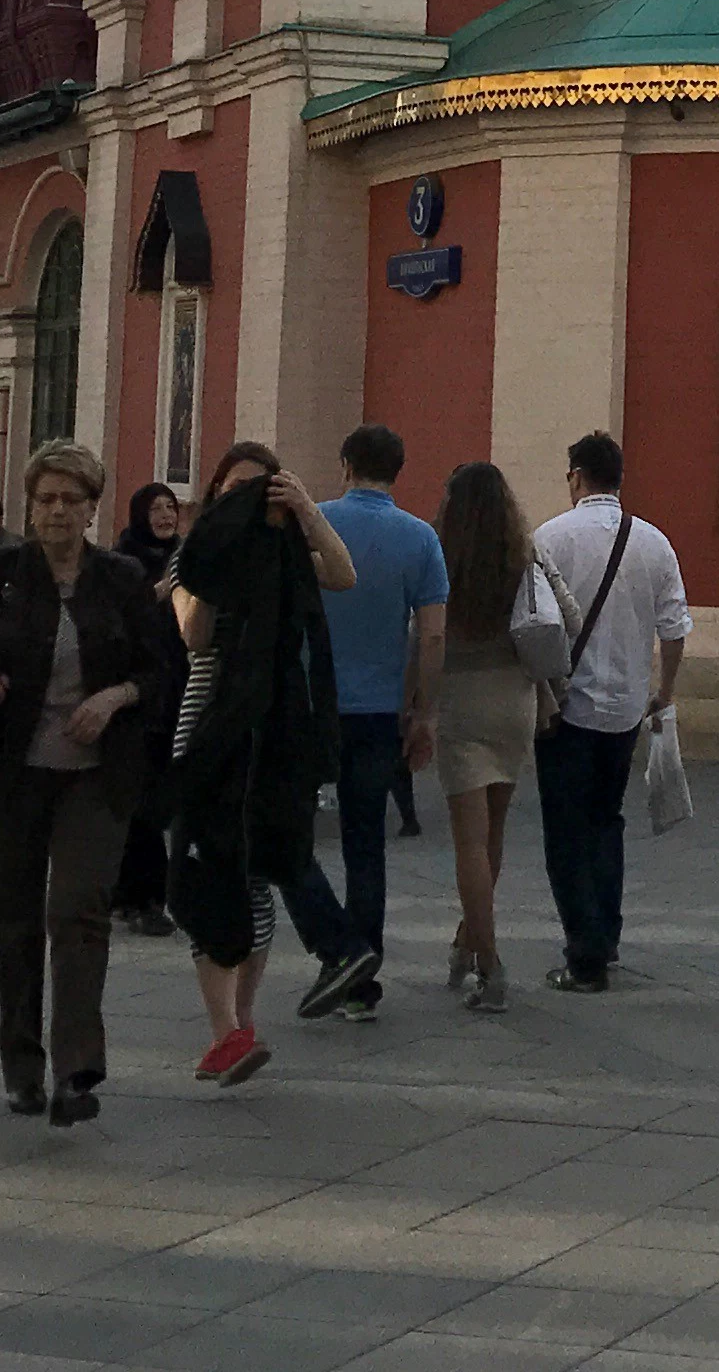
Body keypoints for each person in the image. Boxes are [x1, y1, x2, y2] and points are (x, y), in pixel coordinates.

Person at [0, 442, 170, 1125]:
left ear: (91, 508)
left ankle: (76, 1067)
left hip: (94, 777)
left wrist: (115, 699)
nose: (56, 512)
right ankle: (21, 1064)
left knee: (78, 907)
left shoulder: (122, 580)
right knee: (15, 918)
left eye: (70, 501)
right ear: (30, 505)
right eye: (45, 500)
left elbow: (164, 669)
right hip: (9, 773)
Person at [165, 441, 367, 1083]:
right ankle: (226, 1030)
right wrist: (226, 559)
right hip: (209, 727)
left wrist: (307, 513)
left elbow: (343, 573)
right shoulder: (192, 556)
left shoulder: (289, 552)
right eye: (235, 492)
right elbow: (193, 632)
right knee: (204, 872)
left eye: (262, 489)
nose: (248, 501)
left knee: (260, 866)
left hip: (274, 730)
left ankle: (239, 1023)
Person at [531, 431, 690, 995]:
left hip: (565, 708)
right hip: (624, 708)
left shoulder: (549, 537)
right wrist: (663, 691)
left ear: (577, 475)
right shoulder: (653, 543)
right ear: (618, 478)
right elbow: (674, 628)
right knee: (606, 822)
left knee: (565, 831)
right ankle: (608, 933)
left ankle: (584, 953)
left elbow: (534, 624)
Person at [432, 460, 580, 1015]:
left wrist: (417, 703)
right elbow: (568, 613)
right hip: (515, 699)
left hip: (461, 700)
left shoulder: (440, 554)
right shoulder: (524, 554)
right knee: (492, 836)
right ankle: (465, 941)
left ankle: (489, 965)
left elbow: (423, 632)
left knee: (468, 841)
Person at [314, 424, 447, 1018]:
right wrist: (425, 710)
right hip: (377, 710)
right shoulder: (420, 538)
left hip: (311, 705)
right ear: (398, 471)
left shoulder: (313, 522)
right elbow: (434, 633)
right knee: (366, 844)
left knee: (289, 842)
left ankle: (336, 949)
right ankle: (362, 979)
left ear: (345, 465)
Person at [108, 482, 185, 935]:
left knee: (158, 799)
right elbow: (122, 619)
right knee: (142, 804)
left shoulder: (186, 557)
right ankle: (143, 899)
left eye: (170, 507)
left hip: (178, 691)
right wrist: (162, 590)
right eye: (155, 508)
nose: (165, 515)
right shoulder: (122, 563)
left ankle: (134, 894)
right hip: (136, 695)